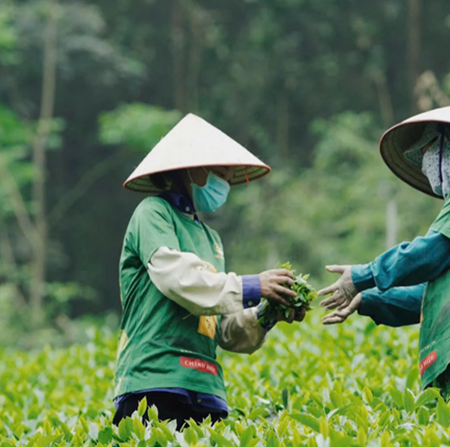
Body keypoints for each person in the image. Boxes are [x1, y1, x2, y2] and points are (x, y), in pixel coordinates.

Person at [318, 103, 450, 399]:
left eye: (429, 151)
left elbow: (430, 253)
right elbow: (435, 297)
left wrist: (363, 275)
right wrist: (368, 300)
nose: (427, 163)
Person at [113, 113, 308, 428]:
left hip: (205, 389)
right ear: (192, 169)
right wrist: (252, 285)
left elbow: (221, 327)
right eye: (219, 173)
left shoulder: (210, 238)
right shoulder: (153, 213)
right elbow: (179, 279)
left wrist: (267, 311)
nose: (225, 183)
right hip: (155, 382)